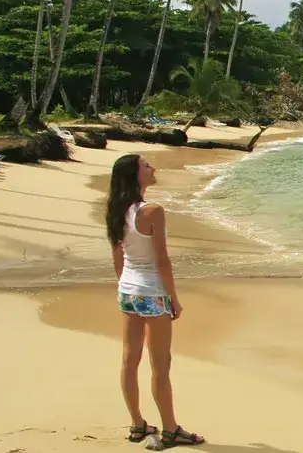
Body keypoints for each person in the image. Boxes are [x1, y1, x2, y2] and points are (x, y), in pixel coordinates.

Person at [105, 154, 205, 447]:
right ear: (135, 175)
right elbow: (162, 260)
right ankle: (171, 429)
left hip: (128, 291)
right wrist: (173, 298)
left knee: (129, 359)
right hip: (151, 292)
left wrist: (124, 283)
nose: (153, 168)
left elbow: (117, 254)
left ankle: (138, 425)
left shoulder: (115, 208)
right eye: (146, 166)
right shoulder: (152, 211)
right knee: (160, 365)